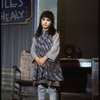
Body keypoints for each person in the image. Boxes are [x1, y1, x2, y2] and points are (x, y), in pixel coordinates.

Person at [31, 10, 63, 100]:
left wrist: (44, 58)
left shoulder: (55, 34)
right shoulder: (36, 35)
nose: (45, 22)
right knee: (41, 87)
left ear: (51, 22)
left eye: (48, 20)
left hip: (51, 65)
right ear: (40, 20)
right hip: (39, 64)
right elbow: (32, 49)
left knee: (52, 88)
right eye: (43, 19)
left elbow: (55, 47)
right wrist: (37, 59)